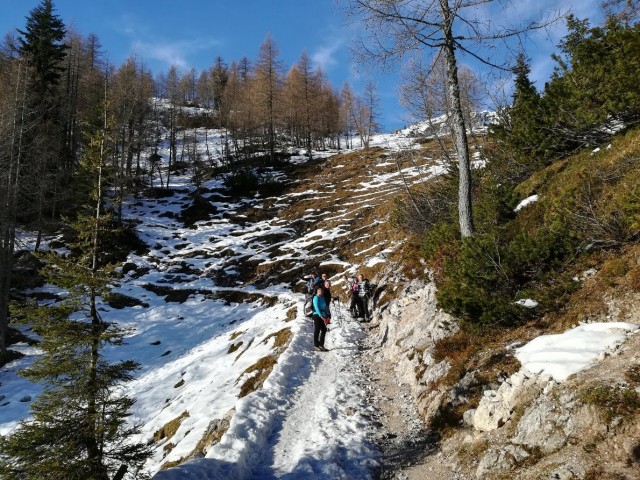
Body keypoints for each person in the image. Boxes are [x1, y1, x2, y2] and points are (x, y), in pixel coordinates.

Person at [311, 286, 330, 352]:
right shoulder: (316, 297)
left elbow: (324, 307)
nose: (320, 291)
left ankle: (321, 345)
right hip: (316, 315)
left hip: (322, 315)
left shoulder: (322, 297)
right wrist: (321, 316)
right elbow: (316, 307)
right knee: (317, 330)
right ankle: (316, 345)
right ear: (316, 291)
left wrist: (326, 315)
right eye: (319, 290)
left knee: (324, 330)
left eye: (321, 290)